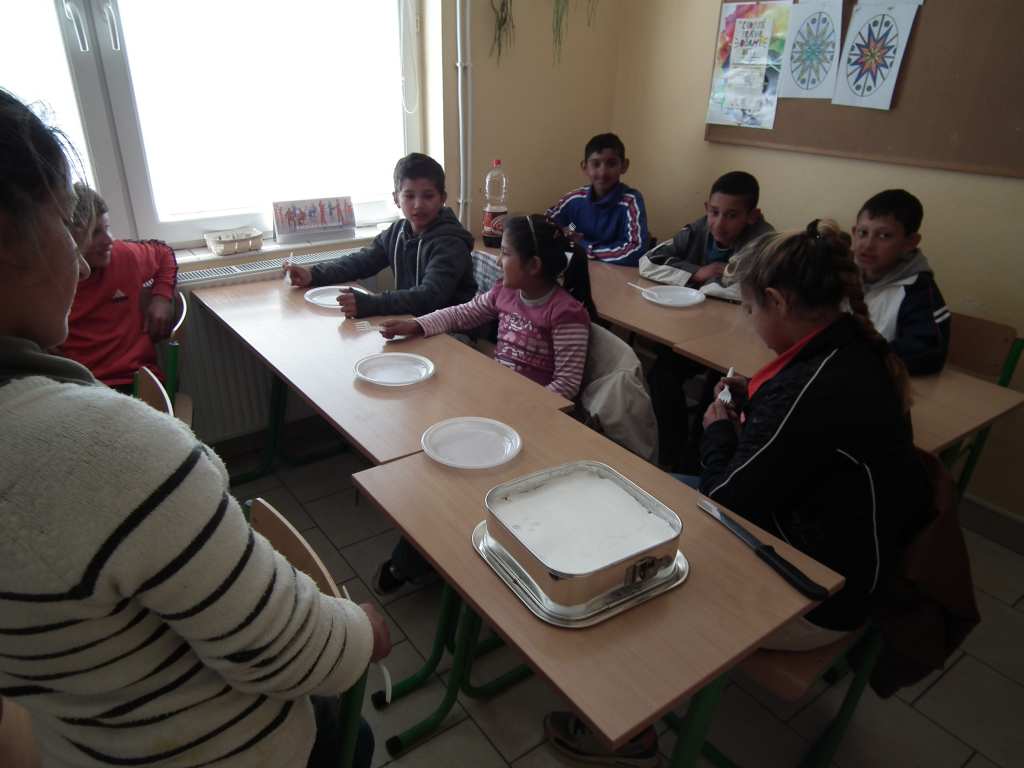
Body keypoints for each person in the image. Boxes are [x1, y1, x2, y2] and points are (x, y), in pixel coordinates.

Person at [0, 89, 389, 768]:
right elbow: (285, 648)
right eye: (65, 221)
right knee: (350, 738)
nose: (82, 255)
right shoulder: (108, 451)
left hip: (79, 739)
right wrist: (365, 631)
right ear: (11, 237)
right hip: (217, 747)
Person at [544, 221, 930, 766]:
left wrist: (719, 427)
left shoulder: (812, 386)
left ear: (777, 301)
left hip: (821, 590)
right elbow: (792, 442)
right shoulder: (846, 348)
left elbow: (725, 495)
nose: (748, 321)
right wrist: (751, 403)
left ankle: (632, 735)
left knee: (638, 567)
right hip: (806, 532)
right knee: (637, 496)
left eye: (749, 309)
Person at [373, 214, 597, 593]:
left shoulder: (565, 314)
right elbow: (463, 313)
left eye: (505, 253)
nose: (497, 260)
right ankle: (425, 549)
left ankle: (413, 560)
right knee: (435, 455)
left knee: (453, 478)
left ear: (533, 265)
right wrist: (417, 324)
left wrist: (517, 411)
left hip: (532, 425)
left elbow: (565, 387)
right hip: (496, 409)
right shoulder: (504, 293)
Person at [644, 171, 774, 471]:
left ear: (752, 216)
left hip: (740, 342)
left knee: (718, 390)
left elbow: (748, 289)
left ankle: (695, 461)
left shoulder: (764, 243)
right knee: (661, 374)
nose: (719, 223)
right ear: (706, 209)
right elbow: (648, 262)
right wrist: (696, 272)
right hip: (694, 331)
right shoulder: (698, 229)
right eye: (714, 212)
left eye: (732, 215)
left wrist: (708, 285)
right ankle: (671, 455)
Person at [286, 153, 475, 318]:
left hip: (452, 333)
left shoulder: (451, 243)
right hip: (412, 323)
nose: (418, 205)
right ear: (396, 199)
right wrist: (313, 275)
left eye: (428, 196)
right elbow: (360, 262)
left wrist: (371, 304)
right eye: (409, 196)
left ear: (442, 199)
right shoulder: (397, 232)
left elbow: (430, 297)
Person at [58, 183, 178, 392]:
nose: (108, 240)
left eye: (107, 228)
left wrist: (162, 297)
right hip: (82, 386)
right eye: (95, 233)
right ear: (68, 237)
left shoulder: (122, 256)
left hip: (137, 381)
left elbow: (164, 253)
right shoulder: (50, 283)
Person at [852, 189, 950, 375]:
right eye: (863, 233)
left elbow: (929, 353)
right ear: (853, 232)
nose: (867, 245)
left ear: (910, 242)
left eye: (884, 236)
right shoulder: (840, 273)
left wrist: (857, 357)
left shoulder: (919, 291)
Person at [546, 133, 649, 267]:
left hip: (616, 273)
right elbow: (549, 223)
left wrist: (584, 247)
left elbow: (636, 250)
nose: (603, 172)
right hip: (580, 269)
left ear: (624, 166)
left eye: (611, 164)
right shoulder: (575, 199)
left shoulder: (630, 201)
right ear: (585, 167)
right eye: (595, 164)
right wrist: (566, 230)